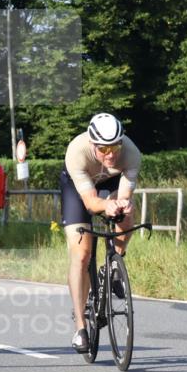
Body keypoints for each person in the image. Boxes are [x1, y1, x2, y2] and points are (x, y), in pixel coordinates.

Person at [60, 113, 142, 353]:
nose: (111, 154)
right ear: (92, 144)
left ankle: (114, 264)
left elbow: (124, 195)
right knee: (82, 254)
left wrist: (120, 205)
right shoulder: (77, 152)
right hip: (78, 190)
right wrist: (105, 206)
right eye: (104, 149)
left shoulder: (132, 153)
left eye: (115, 146)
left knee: (126, 214)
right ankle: (80, 327)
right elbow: (90, 202)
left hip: (112, 184)